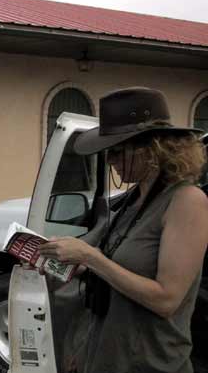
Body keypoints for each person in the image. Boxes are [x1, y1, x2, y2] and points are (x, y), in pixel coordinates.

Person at [38, 87, 208, 373]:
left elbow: (167, 299)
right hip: (105, 356)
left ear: (152, 147)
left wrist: (90, 256)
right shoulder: (132, 201)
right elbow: (116, 273)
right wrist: (72, 264)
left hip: (150, 364)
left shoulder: (186, 201)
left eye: (117, 151)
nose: (110, 161)